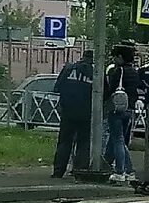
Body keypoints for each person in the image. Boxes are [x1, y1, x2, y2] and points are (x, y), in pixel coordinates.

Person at [51, 50, 94, 178]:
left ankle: (58, 171)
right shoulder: (96, 73)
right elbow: (105, 92)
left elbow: (57, 87)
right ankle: (80, 171)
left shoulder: (69, 68)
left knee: (64, 141)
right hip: (86, 112)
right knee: (84, 143)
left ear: (82, 57)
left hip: (68, 111)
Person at [104, 44, 142, 183]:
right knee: (122, 140)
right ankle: (128, 170)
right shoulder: (134, 72)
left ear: (120, 57)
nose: (113, 59)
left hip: (117, 109)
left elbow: (110, 89)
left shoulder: (118, 71)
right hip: (130, 109)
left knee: (118, 140)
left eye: (115, 56)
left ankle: (120, 171)